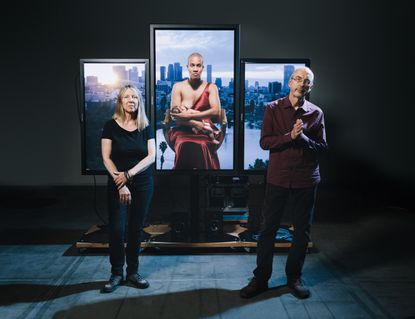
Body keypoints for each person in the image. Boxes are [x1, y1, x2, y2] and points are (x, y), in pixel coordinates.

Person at [240, 67, 328, 299]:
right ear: (290, 82)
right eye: (298, 79)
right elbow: (265, 143)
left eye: (306, 81)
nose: (301, 84)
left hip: (306, 179)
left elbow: (322, 148)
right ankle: (260, 279)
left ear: (311, 87)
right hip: (278, 177)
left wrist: (304, 138)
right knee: (267, 229)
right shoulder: (272, 108)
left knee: (301, 232)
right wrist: (289, 136)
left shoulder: (316, 113)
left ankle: (294, 278)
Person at [101, 84, 155, 293]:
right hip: (117, 183)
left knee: (135, 229)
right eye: (127, 97)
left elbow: (151, 156)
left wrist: (129, 175)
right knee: (116, 229)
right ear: (120, 102)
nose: (131, 100)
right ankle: (116, 273)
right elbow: (106, 157)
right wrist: (120, 183)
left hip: (142, 183)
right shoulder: (110, 126)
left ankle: (133, 271)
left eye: (135, 97)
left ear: (138, 101)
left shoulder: (145, 126)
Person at [167, 52, 222, 169]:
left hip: (207, 130)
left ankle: (206, 181)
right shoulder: (178, 87)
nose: (195, 69)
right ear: (187, 67)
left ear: (202, 68)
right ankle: (182, 182)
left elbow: (216, 111)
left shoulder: (212, 87)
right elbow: (174, 115)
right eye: (192, 65)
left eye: (198, 65)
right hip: (182, 130)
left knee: (203, 145)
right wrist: (195, 123)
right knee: (183, 144)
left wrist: (187, 116)